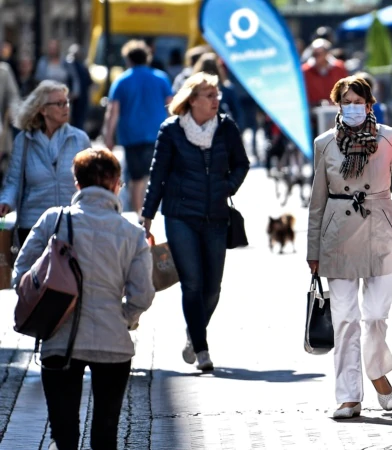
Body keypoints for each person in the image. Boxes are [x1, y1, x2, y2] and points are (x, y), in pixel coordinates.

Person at [12, 148, 155, 450]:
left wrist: (48, 307)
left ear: (76, 183)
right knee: (105, 435)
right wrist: (124, 318)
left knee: (64, 435)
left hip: (58, 339)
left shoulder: (54, 220)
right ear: (117, 183)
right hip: (113, 343)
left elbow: (21, 273)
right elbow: (143, 294)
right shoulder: (132, 233)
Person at [306, 75, 392, 419]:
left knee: (376, 315)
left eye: (358, 101)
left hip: (380, 229)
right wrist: (313, 249)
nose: (352, 108)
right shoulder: (324, 143)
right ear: (338, 105)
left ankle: (376, 369)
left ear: (369, 104)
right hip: (337, 235)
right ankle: (349, 397)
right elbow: (316, 200)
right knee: (346, 319)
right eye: (345, 102)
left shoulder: (389, 138)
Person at [142, 72, 249, 372]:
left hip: (216, 215)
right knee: (192, 283)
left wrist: (228, 186)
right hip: (180, 215)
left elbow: (242, 163)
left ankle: (194, 332)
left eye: (217, 95)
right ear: (192, 100)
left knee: (213, 287)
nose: (217, 100)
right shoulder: (171, 130)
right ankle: (202, 349)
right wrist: (147, 215)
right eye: (210, 95)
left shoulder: (226, 127)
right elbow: (157, 175)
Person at [0, 81, 91, 245]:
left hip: (71, 226)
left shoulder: (80, 139)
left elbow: (91, 183)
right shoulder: (24, 141)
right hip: (33, 227)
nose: (66, 107)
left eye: (67, 102)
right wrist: (5, 202)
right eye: (59, 103)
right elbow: (13, 179)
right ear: (42, 110)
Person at [103, 40, 173, 216]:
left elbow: (113, 111)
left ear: (128, 59)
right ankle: (153, 213)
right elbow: (171, 106)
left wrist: (108, 136)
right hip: (158, 133)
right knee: (154, 175)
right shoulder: (161, 78)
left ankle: (139, 216)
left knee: (136, 178)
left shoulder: (121, 81)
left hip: (131, 134)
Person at [302, 39, 349, 107]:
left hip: (336, 108)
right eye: (314, 54)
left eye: (318, 54)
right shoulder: (305, 70)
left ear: (327, 53)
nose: (316, 57)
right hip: (313, 109)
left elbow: (345, 89)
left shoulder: (339, 68)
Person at [65, 44, 92, 131]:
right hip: (74, 97)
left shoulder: (82, 67)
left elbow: (88, 82)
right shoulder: (71, 66)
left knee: (77, 120)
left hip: (79, 97)